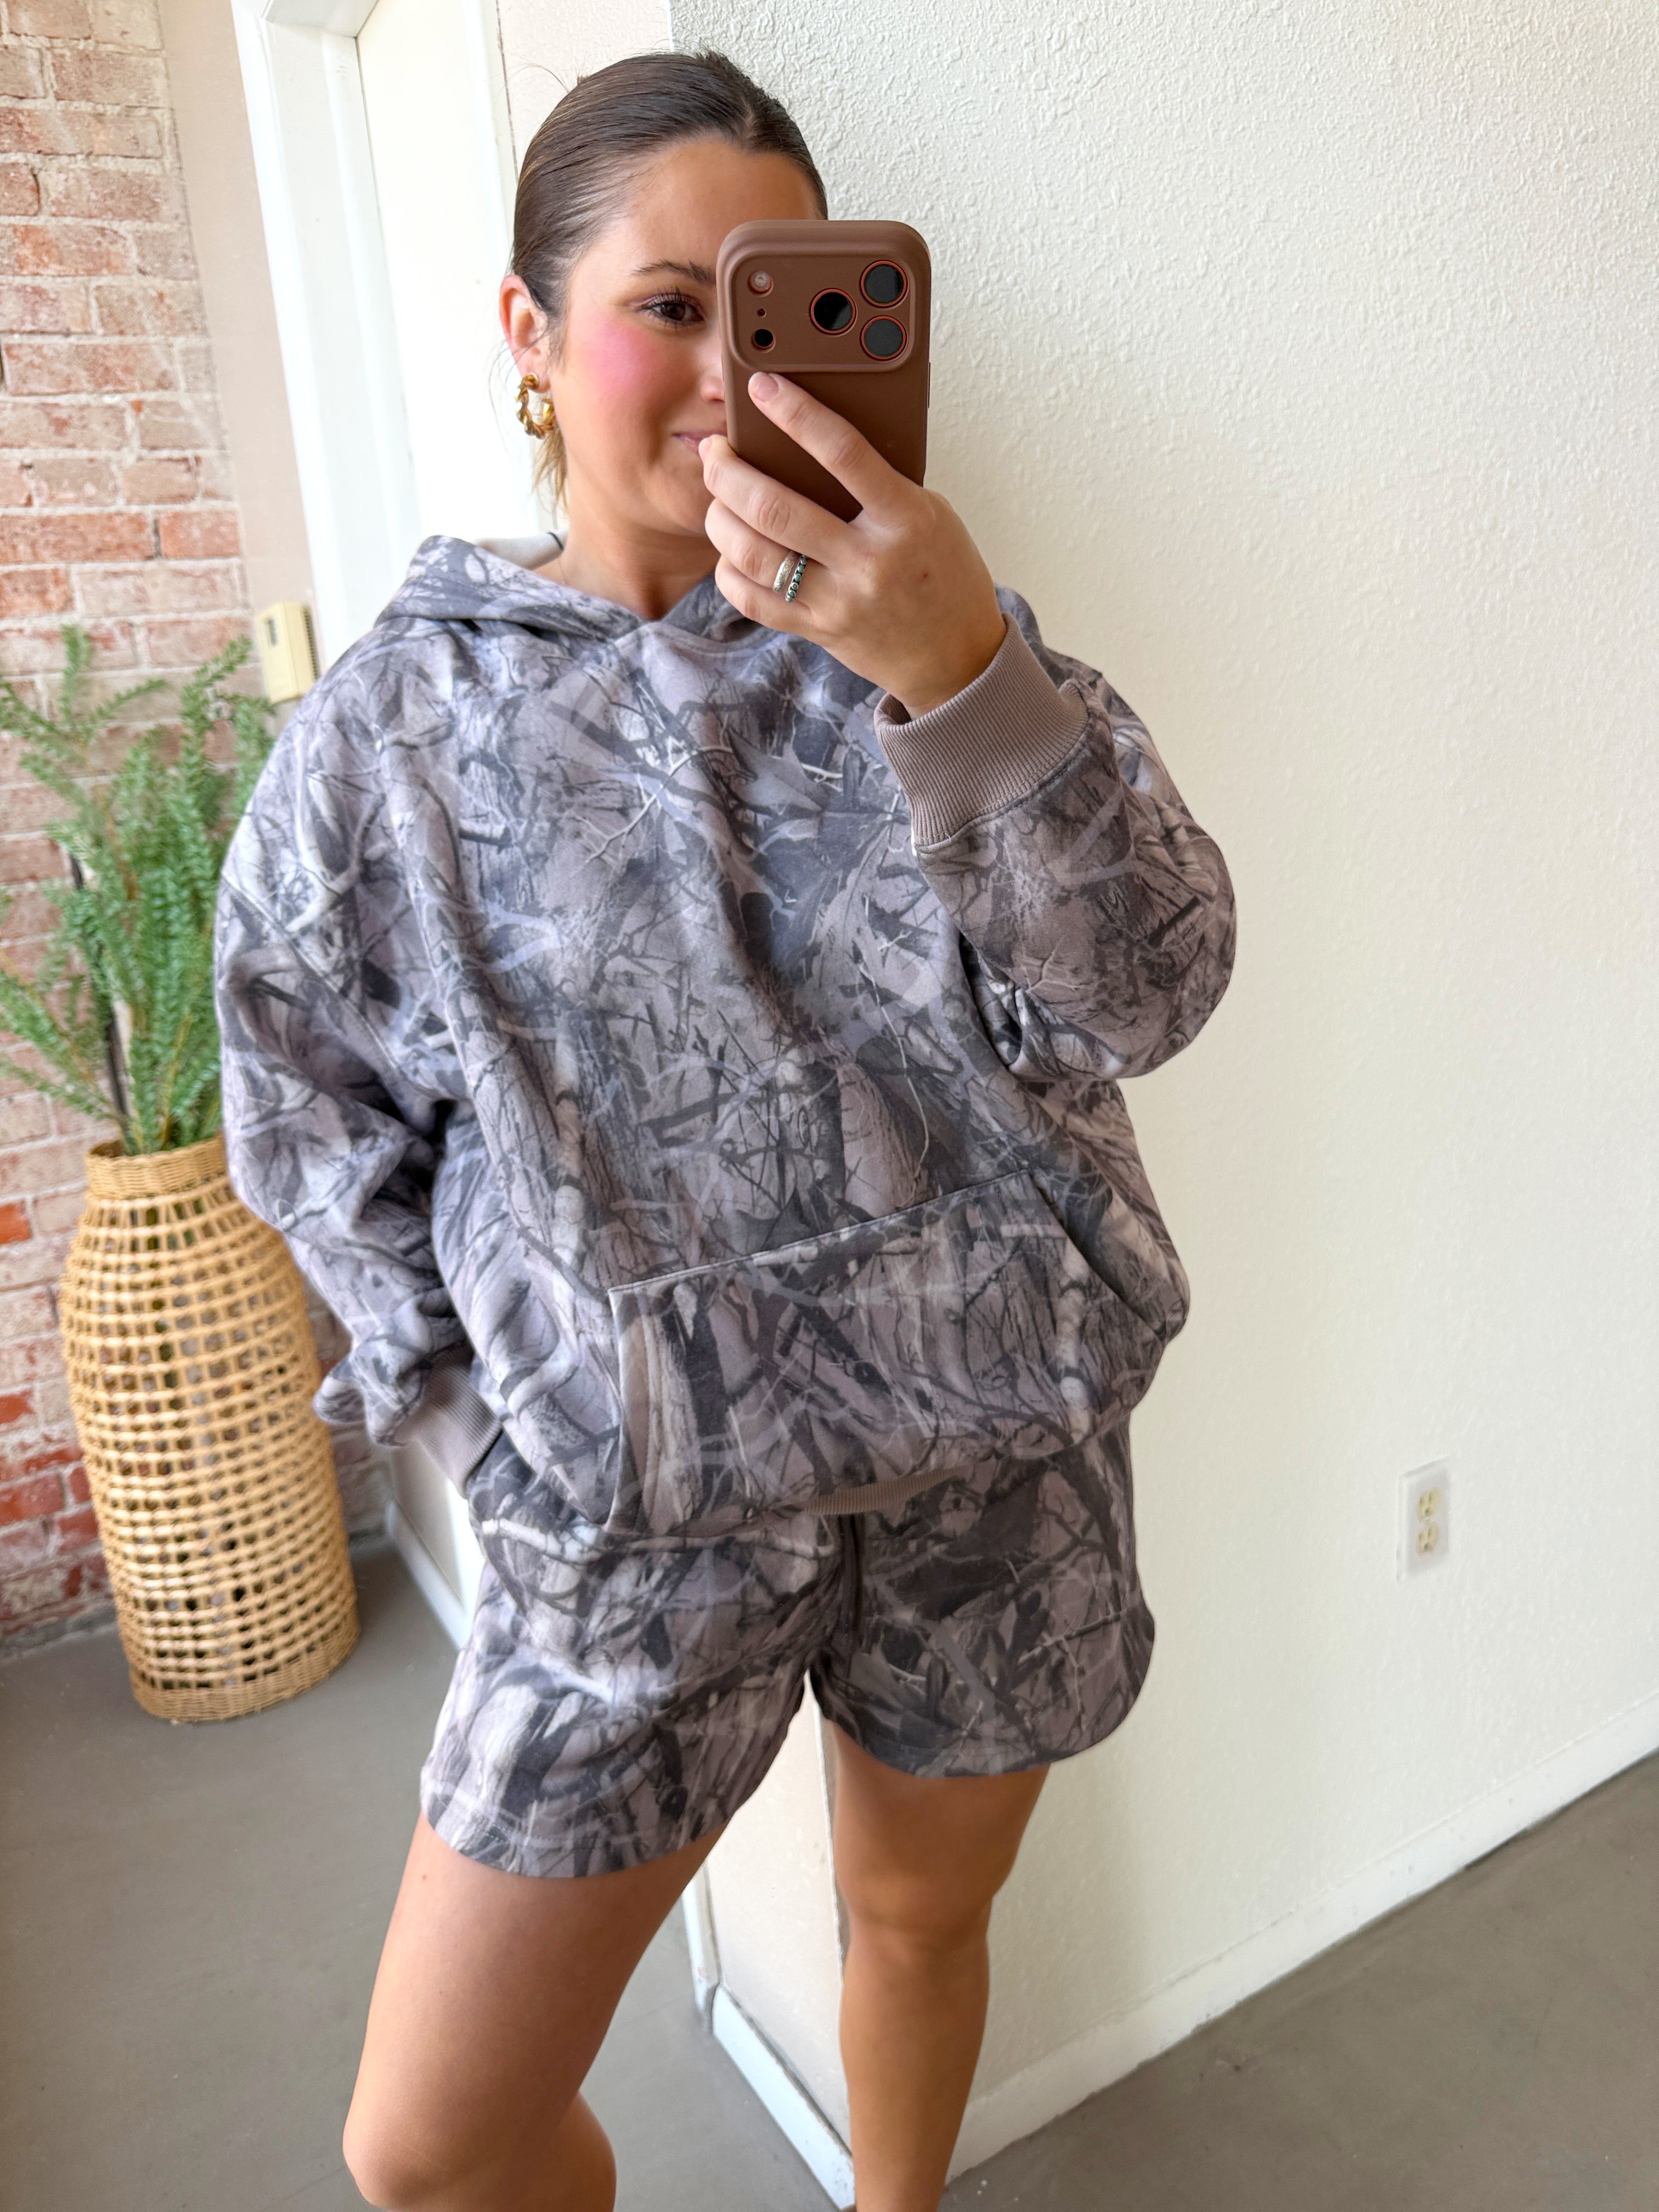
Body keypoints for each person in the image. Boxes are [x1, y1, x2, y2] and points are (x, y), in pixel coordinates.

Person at [213, 46, 1235, 2212]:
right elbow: (307, 1110)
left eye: (770, 309)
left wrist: (959, 670)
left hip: (997, 1461)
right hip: (639, 1535)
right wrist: (502, 1425)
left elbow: (1152, 992)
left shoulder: (937, 640)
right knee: (435, 2143)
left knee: (918, 1924)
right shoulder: (397, 730)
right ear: (528, 330)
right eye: (666, 306)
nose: (721, 375)